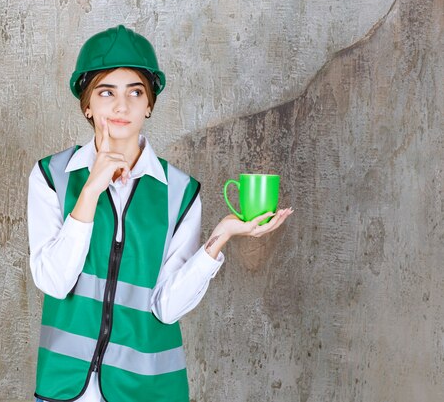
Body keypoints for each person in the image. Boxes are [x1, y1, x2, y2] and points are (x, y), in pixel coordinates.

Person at [27, 25, 293, 402]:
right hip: (64, 388)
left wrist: (221, 237)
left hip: (148, 392)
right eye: (106, 92)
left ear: (149, 104)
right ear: (87, 104)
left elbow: (166, 309)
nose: (122, 106)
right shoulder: (50, 177)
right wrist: (90, 190)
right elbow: (53, 281)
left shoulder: (181, 192)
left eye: (135, 92)